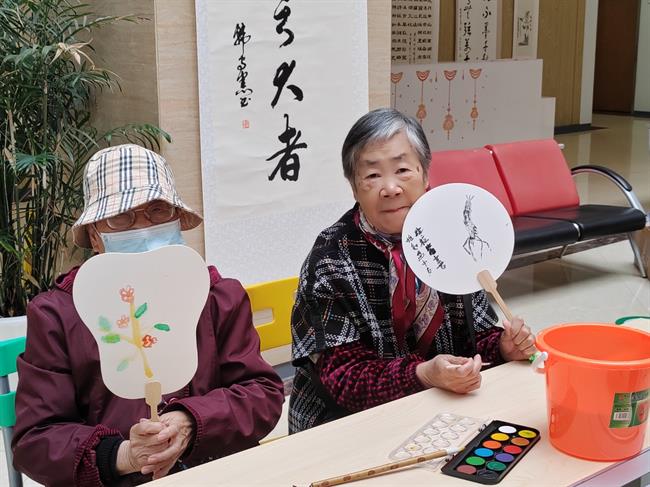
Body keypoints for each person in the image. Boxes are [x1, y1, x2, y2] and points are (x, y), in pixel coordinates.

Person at [12, 144, 284, 486]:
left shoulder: (217, 296)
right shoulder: (57, 315)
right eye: (121, 217)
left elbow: (261, 393)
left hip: (218, 472)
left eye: (157, 210)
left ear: (177, 219)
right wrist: (123, 455)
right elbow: (36, 440)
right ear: (95, 236)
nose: (142, 226)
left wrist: (190, 422)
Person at [289, 108, 536, 433]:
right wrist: (422, 375)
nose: (390, 187)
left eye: (403, 169)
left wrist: (503, 346)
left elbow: (476, 335)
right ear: (354, 187)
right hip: (344, 425)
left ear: (425, 174)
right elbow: (343, 378)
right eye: (372, 175)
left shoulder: (453, 237)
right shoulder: (330, 260)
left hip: (444, 411)